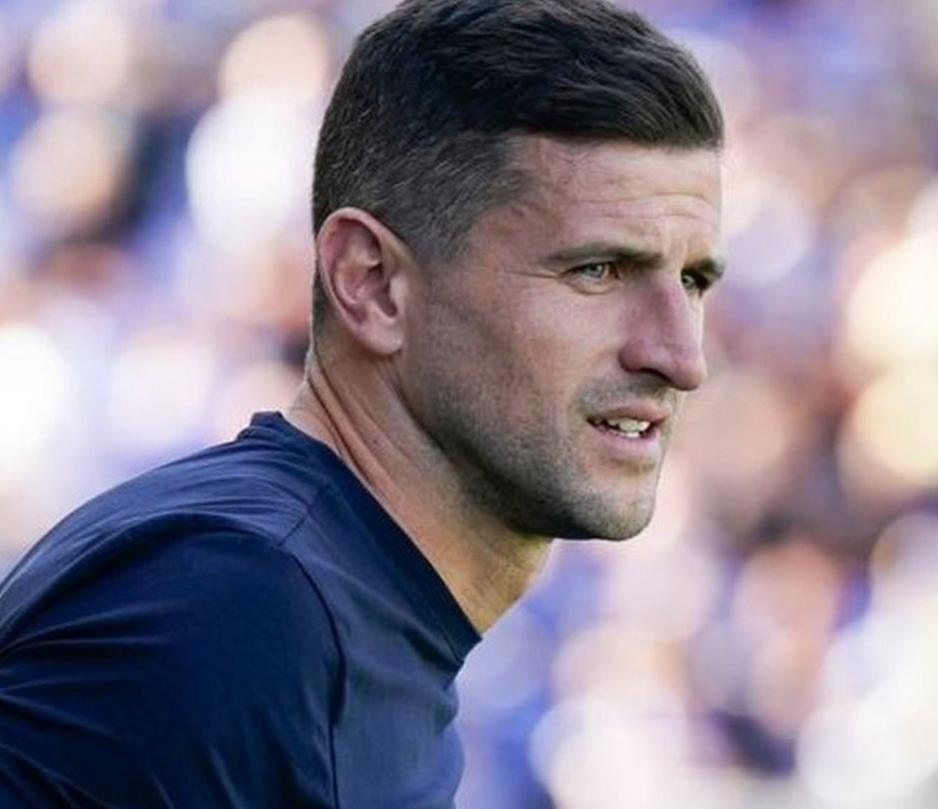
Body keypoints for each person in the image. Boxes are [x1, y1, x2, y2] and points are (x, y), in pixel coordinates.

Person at [0, 0, 725, 805]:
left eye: (693, 280)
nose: (679, 355)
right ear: (371, 283)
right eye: (597, 270)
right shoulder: (237, 608)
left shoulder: (322, 606)